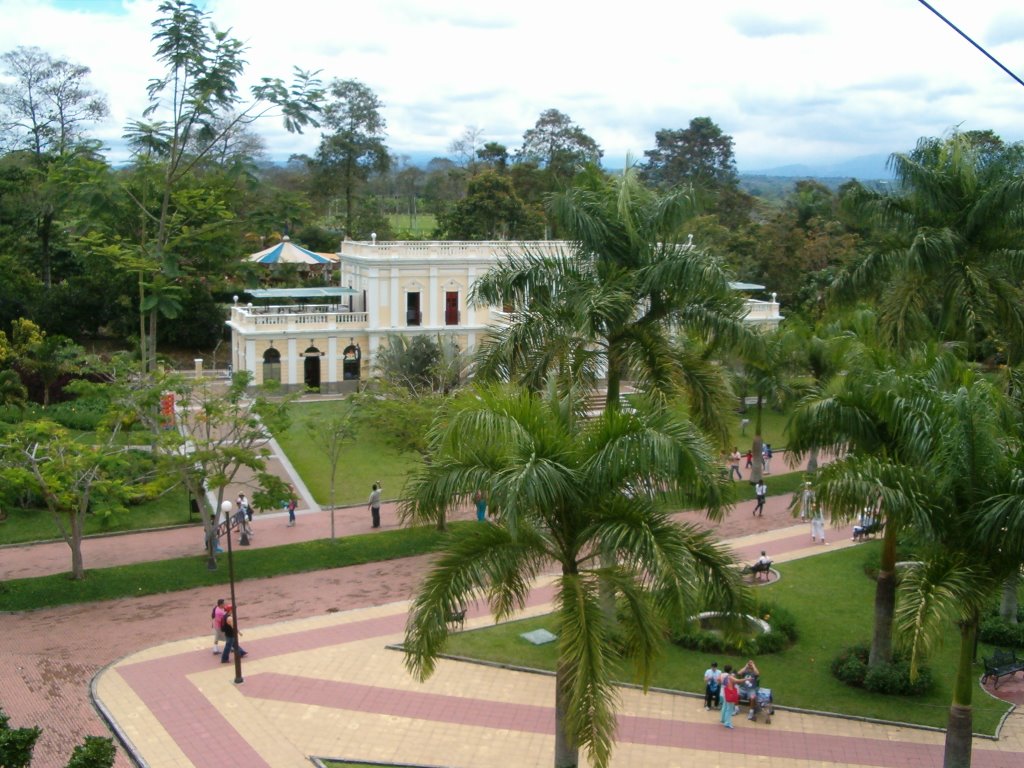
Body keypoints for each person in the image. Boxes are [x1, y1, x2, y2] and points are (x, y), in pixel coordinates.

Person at [719, 664, 742, 728]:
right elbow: (736, 681)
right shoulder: (730, 676)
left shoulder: (722, 674)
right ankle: (727, 722)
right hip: (729, 692)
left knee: (724, 706)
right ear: (730, 670)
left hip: (723, 691)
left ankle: (722, 719)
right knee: (729, 708)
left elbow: (718, 680)